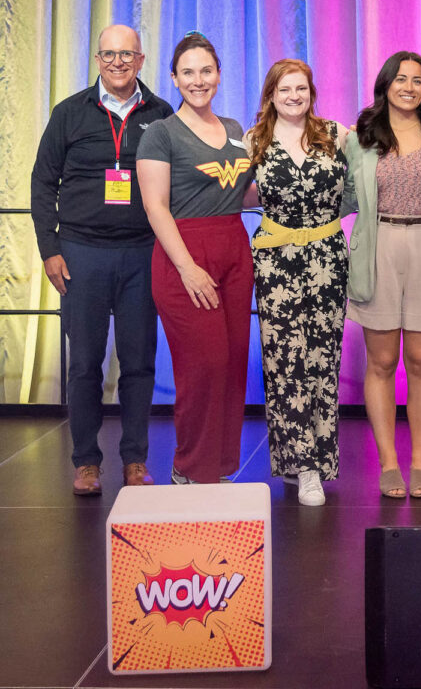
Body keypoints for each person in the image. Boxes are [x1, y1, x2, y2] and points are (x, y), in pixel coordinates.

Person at [31, 24, 173, 495]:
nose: (117, 62)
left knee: (139, 363)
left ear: (141, 59)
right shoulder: (69, 112)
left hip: (142, 253)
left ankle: (135, 460)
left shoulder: (161, 114)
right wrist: (50, 250)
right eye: (109, 54)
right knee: (84, 364)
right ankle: (87, 462)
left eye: (126, 54)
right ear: (97, 60)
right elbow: (42, 182)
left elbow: (178, 183)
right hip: (81, 254)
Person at [136, 32, 255, 485]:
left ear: (219, 75)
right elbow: (155, 207)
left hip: (234, 249)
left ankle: (219, 468)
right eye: (188, 72)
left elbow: (240, 194)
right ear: (173, 78)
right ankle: (189, 467)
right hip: (185, 255)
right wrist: (187, 268)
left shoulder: (235, 129)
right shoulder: (161, 133)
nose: (198, 80)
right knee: (203, 366)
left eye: (206, 70)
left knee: (232, 363)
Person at [343, 52, 421, 500]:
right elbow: (342, 195)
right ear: (385, 84)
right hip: (379, 247)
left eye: (417, 80)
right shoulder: (361, 137)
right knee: (383, 361)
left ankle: (420, 462)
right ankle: (389, 463)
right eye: (400, 79)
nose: (409, 87)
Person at [246, 59, 350, 506]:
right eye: (285, 89)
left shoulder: (336, 135)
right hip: (276, 262)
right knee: (285, 361)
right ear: (271, 95)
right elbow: (237, 193)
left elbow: (357, 189)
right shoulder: (252, 141)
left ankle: (318, 461)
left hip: (327, 259)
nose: (294, 96)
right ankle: (300, 464)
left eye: (301, 88)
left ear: (312, 92)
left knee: (322, 359)